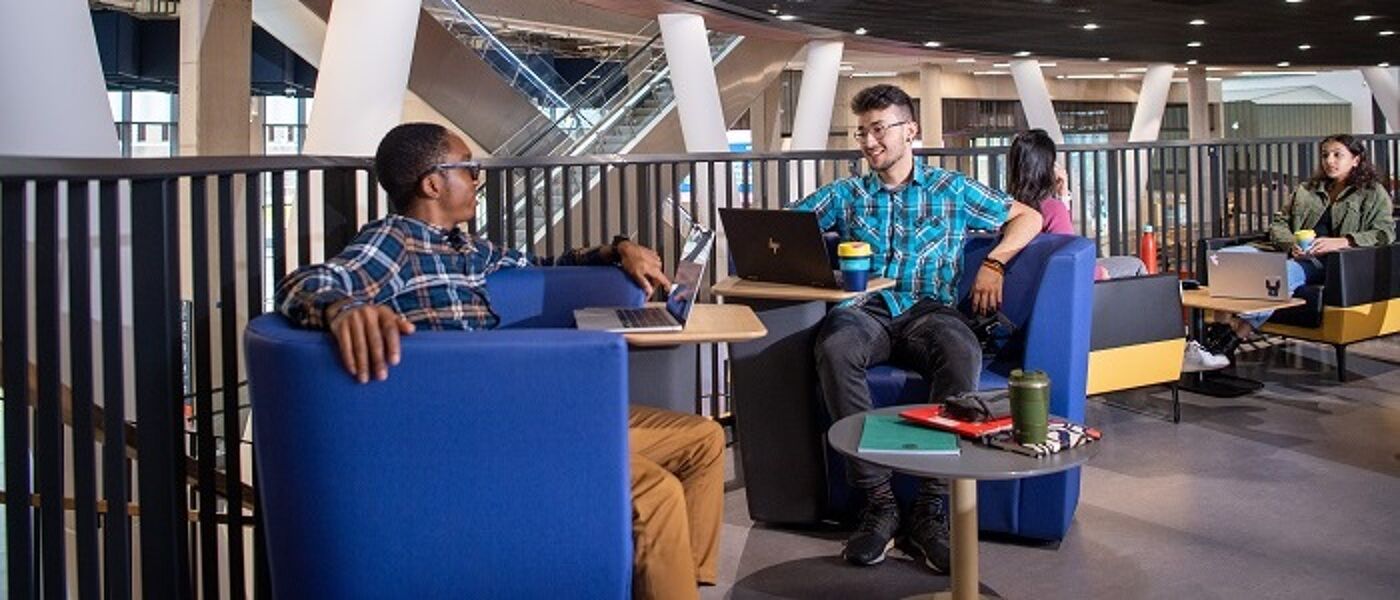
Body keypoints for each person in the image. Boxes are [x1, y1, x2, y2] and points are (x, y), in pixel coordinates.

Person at [275, 122, 723, 599]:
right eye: (468, 169)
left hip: (522, 414)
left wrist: (618, 249)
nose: (477, 179)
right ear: (432, 183)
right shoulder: (396, 244)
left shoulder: (467, 247)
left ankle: (680, 584)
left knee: (704, 439)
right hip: (479, 434)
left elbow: (547, 264)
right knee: (654, 492)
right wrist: (342, 308)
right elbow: (304, 282)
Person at [788, 85, 1043, 572]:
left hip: (931, 311)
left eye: (879, 129)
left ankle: (930, 508)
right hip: (869, 312)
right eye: (861, 132)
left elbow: (1028, 217)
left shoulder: (951, 188)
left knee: (961, 348)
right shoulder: (847, 193)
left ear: (912, 131)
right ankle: (878, 502)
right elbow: (782, 228)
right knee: (835, 345)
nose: (868, 141)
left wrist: (995, 261)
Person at [1006, 129, 1226, 371]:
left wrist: (1064, 196)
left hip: (1036, 297)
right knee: (1136, 266)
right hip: (1070, 290)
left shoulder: (1012, 209)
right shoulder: (1052, 210)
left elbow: (1057, 244)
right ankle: (1170, 350)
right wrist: (1099, 273)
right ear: (1045, 166)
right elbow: (1070, 263)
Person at [1205, 134, 1395, 356]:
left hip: (1331, 262)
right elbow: (1279, 223)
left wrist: (1344, 241)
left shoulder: (1373, 193)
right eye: (1325, 155)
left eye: (1337, 155)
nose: (1329, 161)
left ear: (1356, 159)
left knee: (1281, 274)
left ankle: (1234, 337)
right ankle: (1221, 327)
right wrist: (1290, 244)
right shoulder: (1307, 190)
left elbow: (1385, 233)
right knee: (1227, 258)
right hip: (1290, 251)